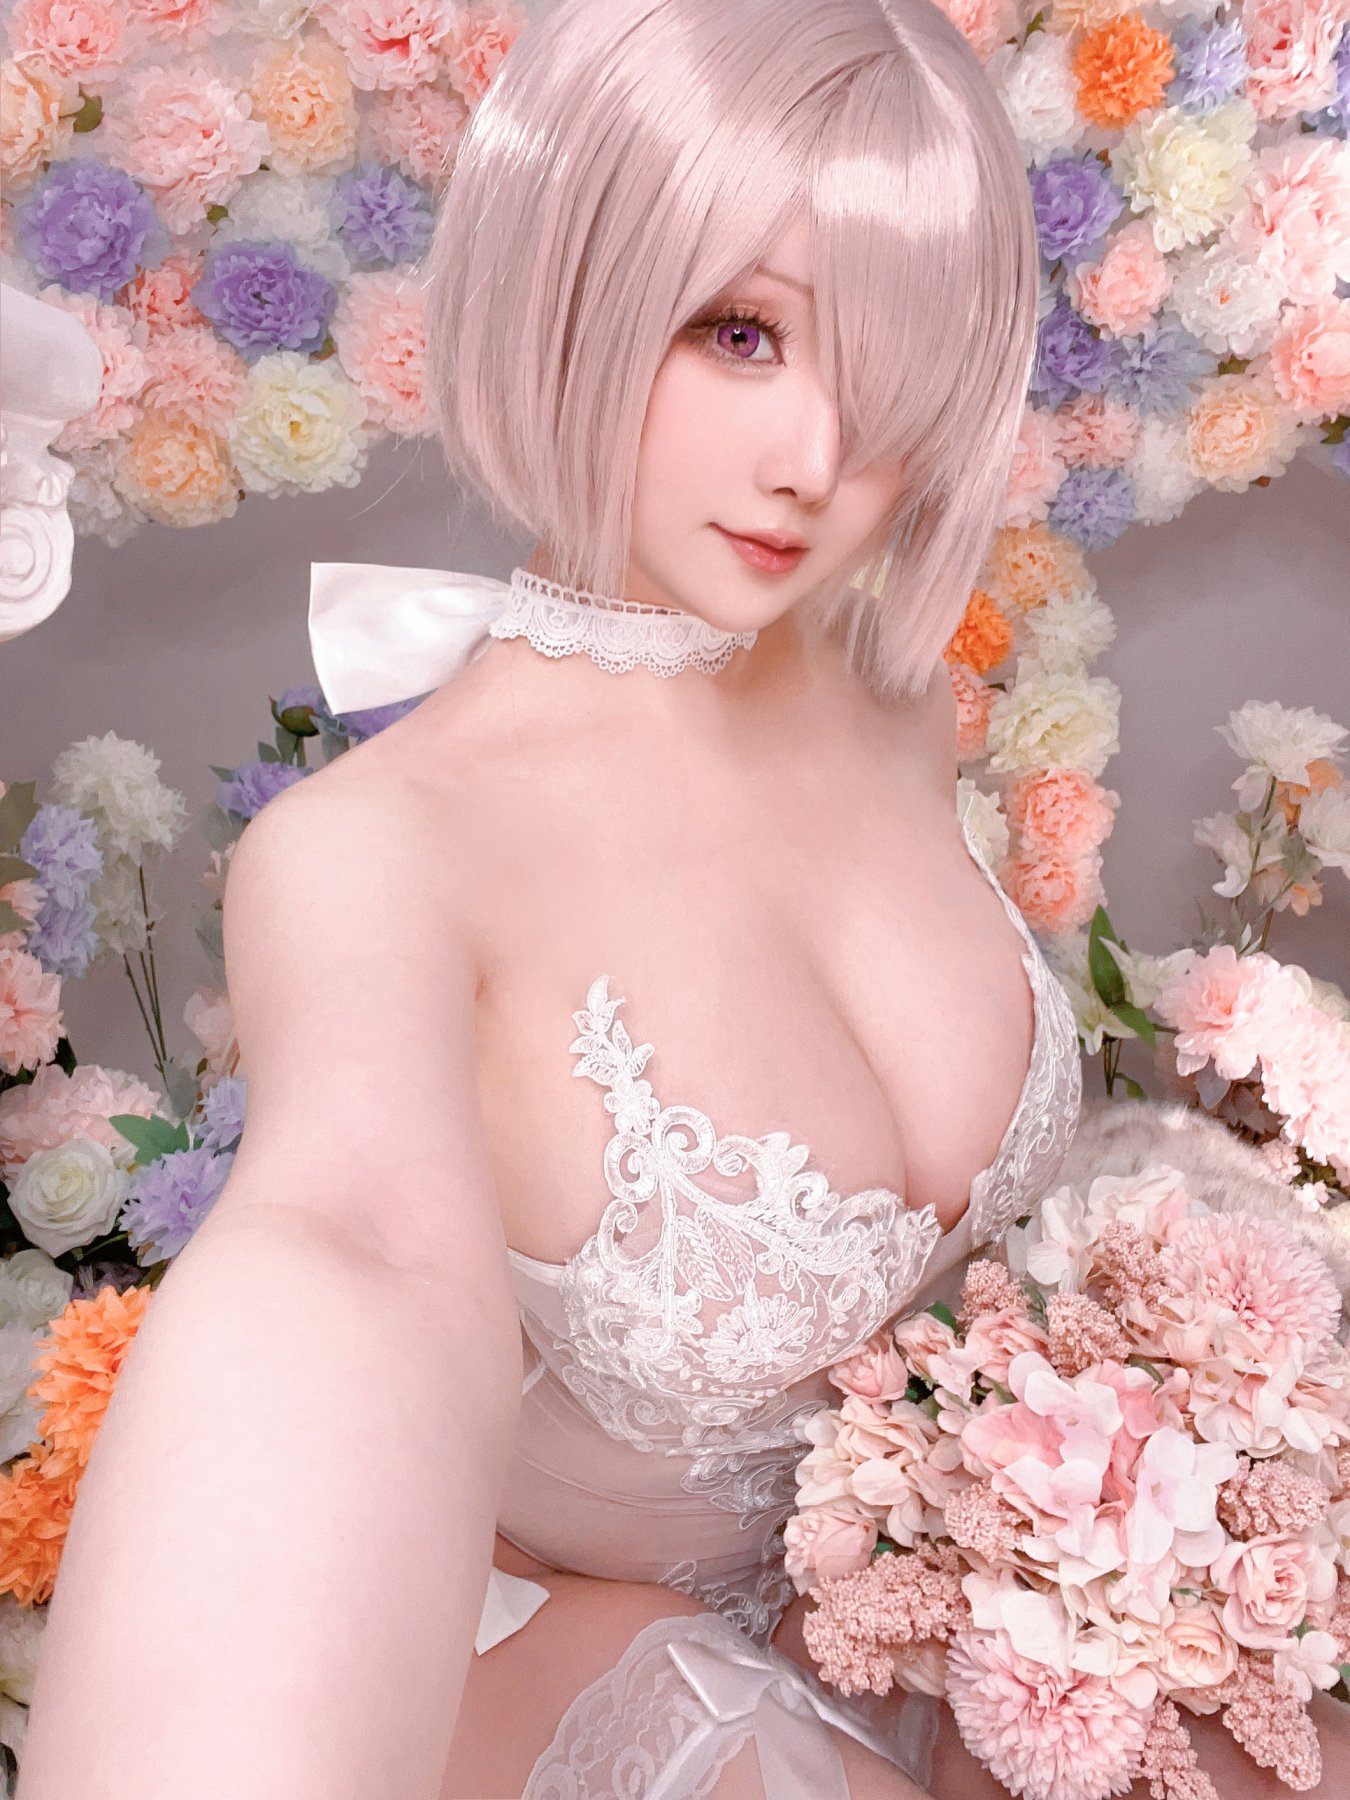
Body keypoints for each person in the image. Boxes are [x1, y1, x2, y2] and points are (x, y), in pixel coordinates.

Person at [19, 0, 1106, 1794]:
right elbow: (349, 1251)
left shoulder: (898, 707)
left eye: (895, 365)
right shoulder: (383, 853)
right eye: (740, 332)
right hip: (561, 1659)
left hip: (934, 1616)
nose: (814, 459)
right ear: (572, 279)